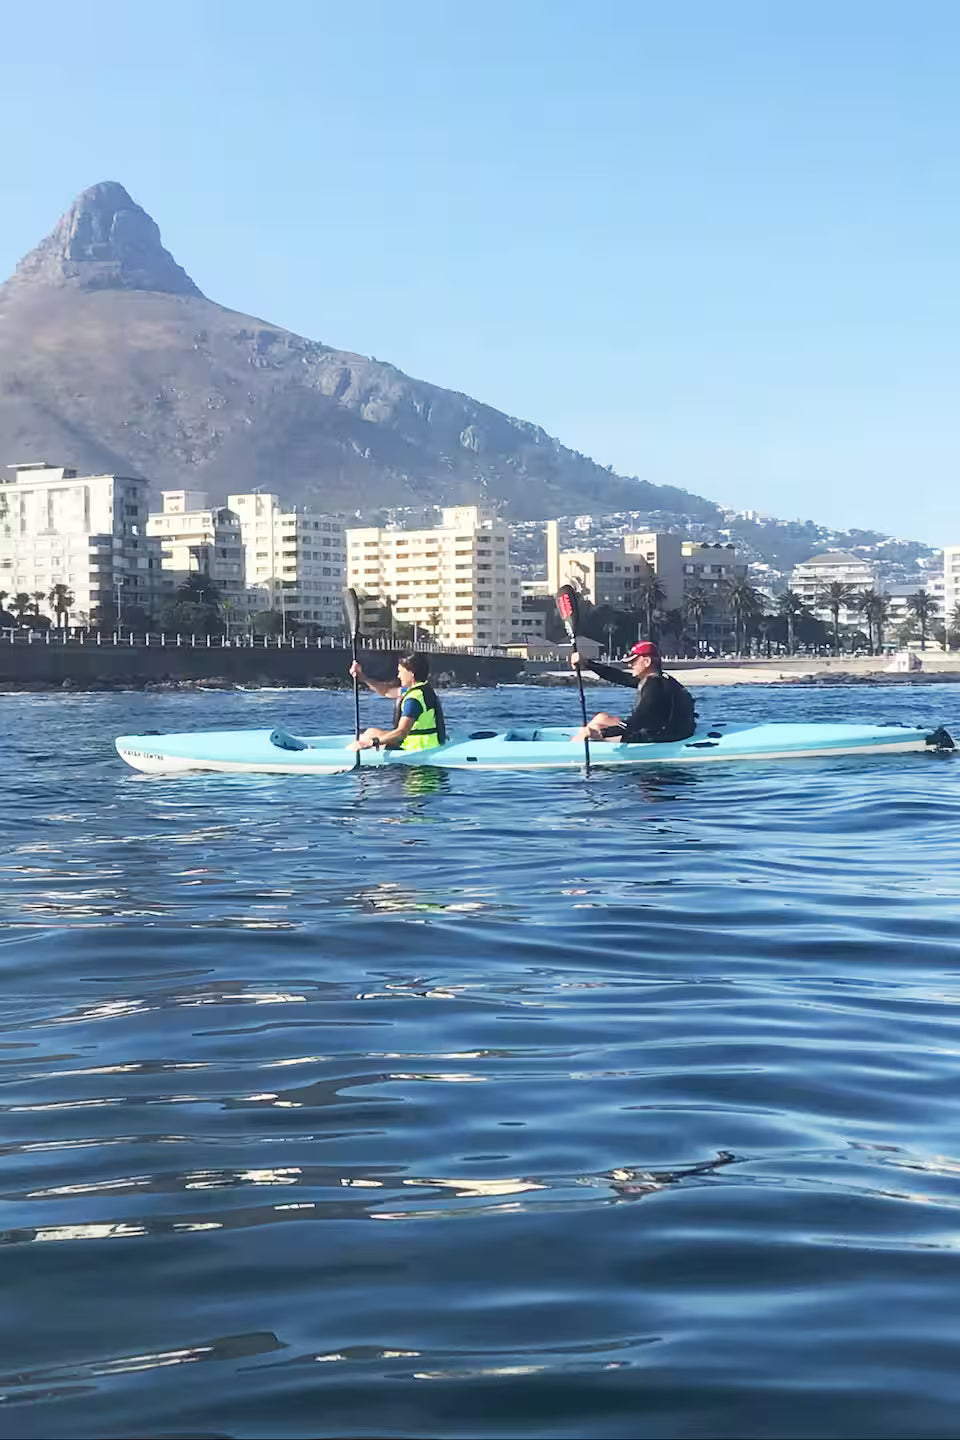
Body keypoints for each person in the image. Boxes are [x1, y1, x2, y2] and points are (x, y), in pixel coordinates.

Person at [569, 641, 696, 743]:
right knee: (601, 718)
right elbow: (619, 677)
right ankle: (576, 742)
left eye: (634, 661)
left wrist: (601, 733)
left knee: (591, 730)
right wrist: (587, 663)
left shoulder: (655, 686)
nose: (630, 665)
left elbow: (639, 720)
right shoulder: (657, 678)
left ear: (647, 662)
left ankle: (572, 751)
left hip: (662, 737)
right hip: (672, 730)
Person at [348, 652, 447, 751]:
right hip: (429, 741)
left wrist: (371, 743)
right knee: (370, 732)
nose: (399, 675)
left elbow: (401, 733)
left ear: (411, 673)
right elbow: (386, 691)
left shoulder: (413, 700)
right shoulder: (423, 688)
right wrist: (362, 677)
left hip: (416, 746)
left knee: (366, 737)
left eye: (400, 671)